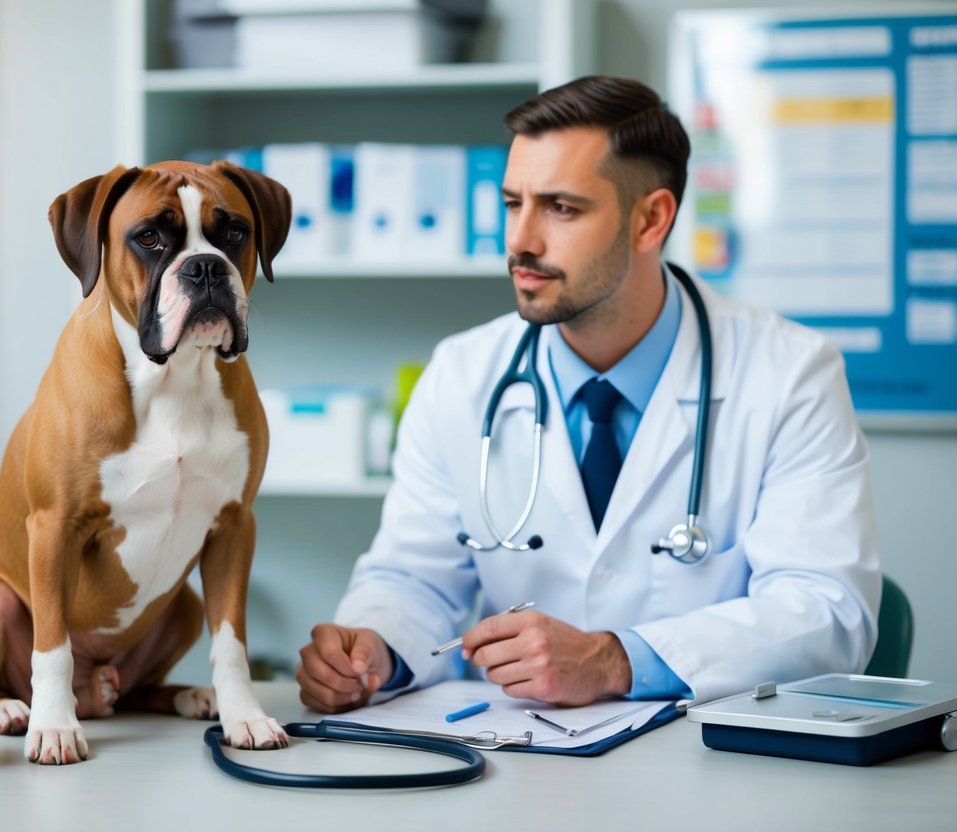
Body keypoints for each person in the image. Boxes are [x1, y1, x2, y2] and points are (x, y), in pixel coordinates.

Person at [295, 75, 881, 713]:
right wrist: (375, 647)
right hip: (516, 765)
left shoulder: (790, 374)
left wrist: (615, 658)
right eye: (513, 203)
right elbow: (414, 578)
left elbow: (828, 613)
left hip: (710, 763)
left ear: (651, 219)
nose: (521, 239)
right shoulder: (462, 374)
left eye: (561, 208)